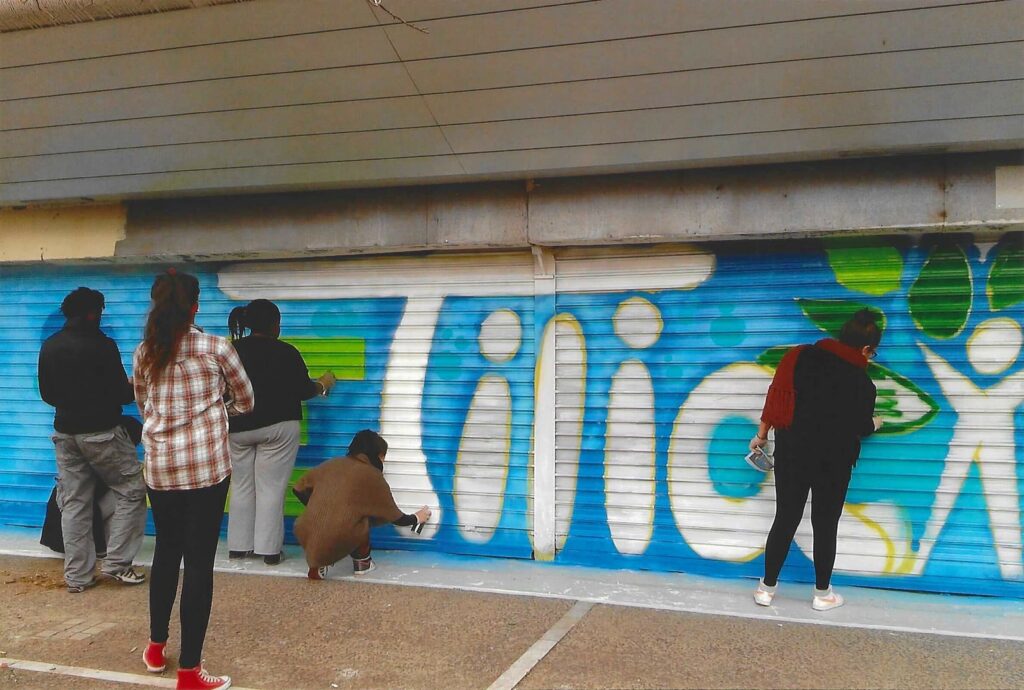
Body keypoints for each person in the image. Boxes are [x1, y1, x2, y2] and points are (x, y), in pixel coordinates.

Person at [133, 270, 254, 690]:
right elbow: (246, 401)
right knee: (199, 563)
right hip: (205, 469)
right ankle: (189, 672)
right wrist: (216, 412)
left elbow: (144, 404)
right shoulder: (217, 348)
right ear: (196, 307)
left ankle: (155, 647)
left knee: (166, 551)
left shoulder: (144, 352)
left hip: (161, 468)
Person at [749, 309, 883, 611]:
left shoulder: (801, 357)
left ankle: (766, 589)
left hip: (792, 454)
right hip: (834, 462)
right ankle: (823, 594)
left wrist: (761, 435)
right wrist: (876, 423)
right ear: (865, 349)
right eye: (873, 352)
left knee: (785, 517)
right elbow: (860, 425)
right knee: (825, 524)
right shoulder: (863, 384)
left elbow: (776, 398)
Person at [38, 287, 147, 594]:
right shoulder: (103, 345)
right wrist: (131, 386)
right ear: (91, 313)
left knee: (74, 503)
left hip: (65, 434)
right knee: (132, 490)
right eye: (99, 311)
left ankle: (77, 577)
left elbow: (47, 394)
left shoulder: (50, 345)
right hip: (102, 432)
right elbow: (121, 393)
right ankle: (118, 563)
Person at [225, 299, 337, 565]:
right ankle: (269, 551)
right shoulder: (286, 352)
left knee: (241, 486)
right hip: (278, 428)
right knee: (271, 489)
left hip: (237, 428)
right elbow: (303, 390)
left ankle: (238, 547)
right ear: (274, 324)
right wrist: (323, 384)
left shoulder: (230, 352)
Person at [292, 429, 431, 580]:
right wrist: (417, 518)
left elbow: (298, 488)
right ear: (377, 455)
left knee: (347, 514)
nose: (383, 462)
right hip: (337, 536)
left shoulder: (331, 464)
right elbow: (394, 516)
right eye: (383, 457)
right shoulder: (371, 475)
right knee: (361, 518)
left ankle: (317, 563)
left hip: (304, 531)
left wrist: (320, 507)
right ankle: (362, 562)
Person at [40, 416, 144, 558]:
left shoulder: (79, 453)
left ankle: (89, 554)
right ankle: (112, 550)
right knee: (130, 494)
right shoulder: (109, 460)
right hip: (79, 539)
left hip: (61, 539)